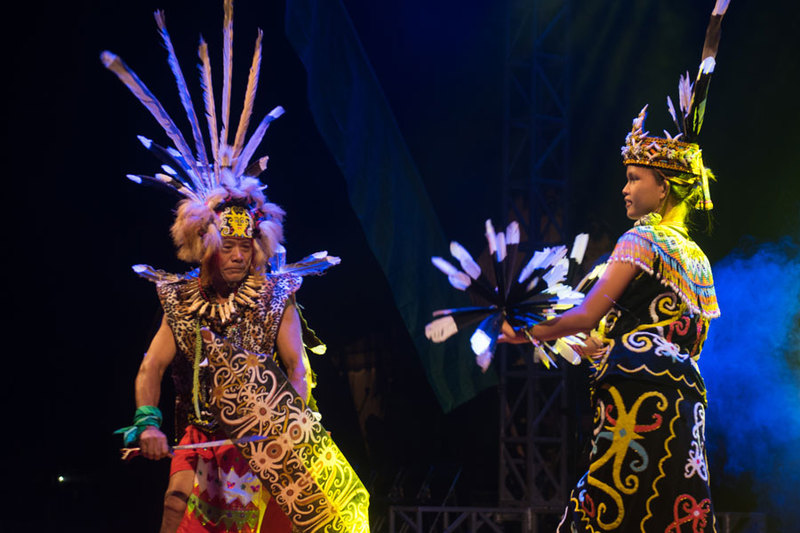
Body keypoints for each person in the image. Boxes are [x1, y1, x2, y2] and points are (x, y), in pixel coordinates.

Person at [104, 2, 353, 531]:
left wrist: (292, 422)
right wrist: (147, 423)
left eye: (248, 248)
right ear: (204, 246)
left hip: (265, 445)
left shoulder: (276, 294)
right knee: (177, 516)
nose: (240, 255)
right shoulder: (179, 299)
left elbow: (297, 367)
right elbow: (151, 368)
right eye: (229, 247)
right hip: (198, 442)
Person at [502, 2, 729, 530]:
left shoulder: (640, 241)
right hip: (685, 402)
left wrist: (530, 331)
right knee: (674, 510)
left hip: (636, 397)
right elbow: (678, 339)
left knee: (609, 511)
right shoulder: (696, 258)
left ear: (664, 186)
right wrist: (607, 346)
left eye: (635, 178)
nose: (625, 189)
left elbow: (584, 317)